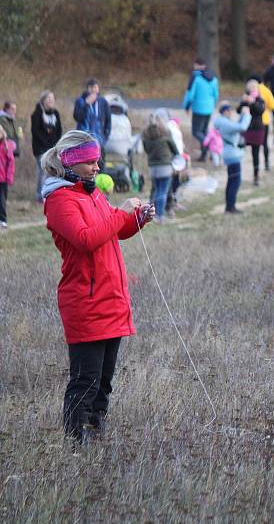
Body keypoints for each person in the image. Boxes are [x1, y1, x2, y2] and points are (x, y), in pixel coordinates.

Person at [40, 130, 155, 446]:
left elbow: (112, 232)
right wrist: (121, 212)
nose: (96, 166)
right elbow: (86, 239)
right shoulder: (59, 200)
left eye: (96, 160)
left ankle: (96, 435)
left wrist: (137, 220)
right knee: (85, 382)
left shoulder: (91, 193)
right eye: (89, 162)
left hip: (111, 301)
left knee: (104, 382)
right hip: (86, 303)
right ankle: (77, 444)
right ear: (71, 164)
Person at [214, 102, 251, 214]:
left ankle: (229, 206)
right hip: (232, 155)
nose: (231, 112)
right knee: (235, 181)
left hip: (230, 154)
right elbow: (242, 127)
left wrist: (243, 116)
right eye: (229, 110)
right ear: (224, 111)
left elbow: (237, 126)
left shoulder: (223, 122)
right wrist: (247, 115)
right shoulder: (225, 123)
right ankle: (230, 207)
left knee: (232, 181)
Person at [141, 112, 179, 222]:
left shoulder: (146, 138)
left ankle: (150, 214)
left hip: (153, 168)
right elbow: (175, 151)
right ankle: (159, 216)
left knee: (156, 190)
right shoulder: (166, 136)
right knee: (162, 192)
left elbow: (147, 151)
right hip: (165, 167)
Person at [183, 58, 219, 162]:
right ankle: (204, 155)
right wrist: (213, 104)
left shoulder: (195, 77)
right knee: (204, 130)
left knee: (196, 132)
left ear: (197, 65)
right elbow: (215, 94)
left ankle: (210, 145)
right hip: (209, 108)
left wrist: (186, 106)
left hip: (199, 108)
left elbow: (190, 95)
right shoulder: (213, 78)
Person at [31, 91, 63, 202]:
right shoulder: (37, 114)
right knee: (43, 171)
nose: (50, 101)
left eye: (52, 99)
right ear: (43, 100)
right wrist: (46, 143)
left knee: (53, 171)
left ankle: (49, 193)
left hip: (53, 148)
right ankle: (40, 196)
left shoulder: (56, 114)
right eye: (48, 98)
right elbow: (36, 132)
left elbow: (59, 131)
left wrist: (55, 145)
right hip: (40, 148)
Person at [238, 80, 267, 186]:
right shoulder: (245, 99)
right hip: (246, 129)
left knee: (256, 154)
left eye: (254, 88)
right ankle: (238, 175)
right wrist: (243, 103)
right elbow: (238, 110)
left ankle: (256, 177)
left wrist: (252, 102)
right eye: (250, 88)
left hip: (257, 129)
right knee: (240, 152)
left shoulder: (260, 100)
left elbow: (260, 110)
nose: (252, 89)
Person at [248, 74, 274, 172]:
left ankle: (255, 168)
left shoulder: (249, 90)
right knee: (265, 144)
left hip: (253, 122)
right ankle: (267, 163)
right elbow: (273, 106)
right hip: (265, 121)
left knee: (254, 146)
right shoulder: (266, 90)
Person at [73, 79, 111, 149]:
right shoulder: (80, 101)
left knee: (100, 159)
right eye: (91, 88)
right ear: (87, 89)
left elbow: (108, 121)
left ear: (98, 89)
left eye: (95, 87)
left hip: (99, 141)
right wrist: (86, 104)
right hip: (83, 140)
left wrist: (105, 138)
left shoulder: (103, 102)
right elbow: (77, 118)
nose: (93, 90)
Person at [0, 126, 16, 228]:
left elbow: (11, 163)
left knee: (2, 200)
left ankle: (3, 220)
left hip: (3, 178)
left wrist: (9, 177)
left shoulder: (6, 146)